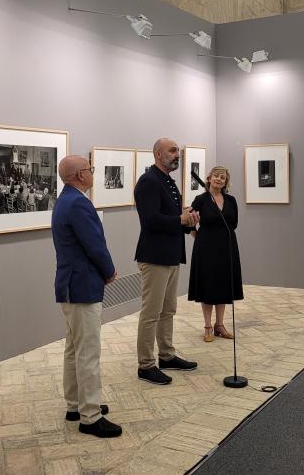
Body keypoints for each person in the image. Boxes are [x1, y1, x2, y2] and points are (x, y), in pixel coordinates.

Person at [52, 155, 122, 438]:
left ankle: (74, 405)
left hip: (70, 285)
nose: (93, 173)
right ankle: (90, 416)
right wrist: (110, 270)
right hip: (82, 286)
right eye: (91, 169)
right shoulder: (79, 203)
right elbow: (94, 245)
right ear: (80, 175)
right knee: (88, 352)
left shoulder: (64, 200)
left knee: (74, 348)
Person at [134, 137, 199, 385]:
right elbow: (151, 221)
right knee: (151, 313)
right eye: (172, 151)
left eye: (178, 151)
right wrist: (181, 220)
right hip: (154, 255)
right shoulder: (149, 182)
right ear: (158, 154)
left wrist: (188, 220)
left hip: (171, 253)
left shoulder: (167, 181)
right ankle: (145, 365)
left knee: (168, 310)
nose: (177, 155)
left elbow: (171, 217)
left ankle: (166, 355)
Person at [188, 166, 244, 342]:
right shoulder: (201, 199)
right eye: (216, 176)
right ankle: (207, 326)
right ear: (209, 178)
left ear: (226, 181)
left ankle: (220, 325)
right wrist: (197, 235)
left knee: (223, 284)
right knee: (208, 285)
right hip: (206, 247)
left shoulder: (231, 200)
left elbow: (233, 223)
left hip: (227, 246)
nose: (219, 179)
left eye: (223, 177)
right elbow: (189, 222)